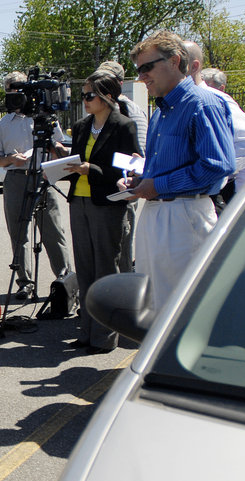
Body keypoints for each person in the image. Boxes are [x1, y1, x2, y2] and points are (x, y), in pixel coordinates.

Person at [118, 30, 235, 313]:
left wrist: (157, 185)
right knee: (154, 305)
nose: (142, 76)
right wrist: (140, 179)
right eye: (138, 70)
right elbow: (164, 166)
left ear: (175, 60)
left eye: (148, 67)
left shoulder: (203, 104)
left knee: (183, 309)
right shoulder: (161, 111)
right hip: (158, 215)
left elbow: (218, 166)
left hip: (185, 216)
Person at [63, 72, 141, 354]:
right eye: (82, 95)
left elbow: (129, 169)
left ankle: (105, 337)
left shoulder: (124, 126)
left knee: (106, 269)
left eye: (89, 95)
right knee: (84, 268)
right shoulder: (82, 126)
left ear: (107, 96)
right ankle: (86, 331)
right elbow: (76, 160)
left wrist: (91, 170)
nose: (84, 101)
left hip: (107, 204)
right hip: (79, 202)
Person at [0, 72, 73, 301]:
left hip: (44, 177)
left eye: (17, 90)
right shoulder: (3, 124)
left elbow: (60, 147)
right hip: (16, 179)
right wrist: (10, 159)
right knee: (19, 235)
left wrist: (54, 146)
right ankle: (25, 283)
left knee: (53, 232)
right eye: (9, 90)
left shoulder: (46, 116)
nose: (14, 95)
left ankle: (65, 280)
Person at [184, 42, 245, 201]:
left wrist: (216, 170)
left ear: (194, 67)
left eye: (177, 63)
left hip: (236, 189)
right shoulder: (177, 104)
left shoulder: (212, 100)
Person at [95, 60, 149, 273]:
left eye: (107, 80)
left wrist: (128, 180)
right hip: (99, 189)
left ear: (119, 83)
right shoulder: (98, 110)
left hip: (122, 189)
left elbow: (140, 156)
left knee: (121, 248)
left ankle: (124, 296)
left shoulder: (130, 110)